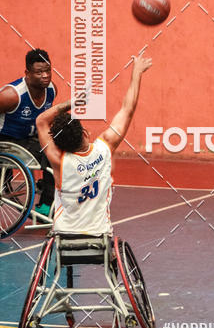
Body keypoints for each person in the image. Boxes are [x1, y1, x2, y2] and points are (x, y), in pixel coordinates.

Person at [36, 54, 151, 235]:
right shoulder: (104, 148)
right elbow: (128, 109)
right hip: (99, 233)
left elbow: (41, 120)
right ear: (84, 133)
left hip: (63, 234)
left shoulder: (58, 159)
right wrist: (136, 72)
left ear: (59, 144)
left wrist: (74, 102)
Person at [0, 48, 57, 216]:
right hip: (7, 141)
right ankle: (47, 200)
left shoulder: (51, 90)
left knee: (58, 144)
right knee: (50, 151)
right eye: (39, 72)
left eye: (48, 70)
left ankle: (47, 201)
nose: (45, 75)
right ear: (27, 73)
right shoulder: (11, 95)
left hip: (29, 138)